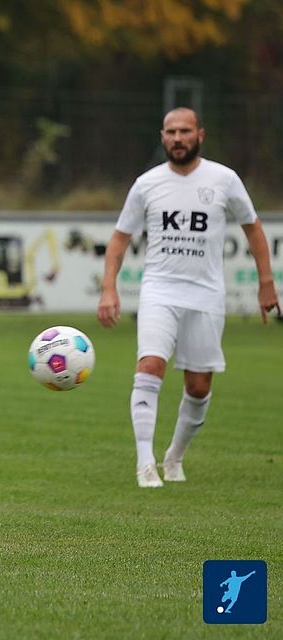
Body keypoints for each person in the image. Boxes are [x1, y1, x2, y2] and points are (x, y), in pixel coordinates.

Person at [97, 107, 280, 489]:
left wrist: (266, 282)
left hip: (206, 294)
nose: (177, 138)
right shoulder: (147, 183)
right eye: (170, 131)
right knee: (149, 365)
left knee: (198, 386)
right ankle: (144, 462)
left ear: (200, 135)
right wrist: (109, 288)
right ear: (162, 137)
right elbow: (119, 238)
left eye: (184, 131)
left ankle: (174, 456)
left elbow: (253, 227)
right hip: (159, 290)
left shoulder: (224, 179)